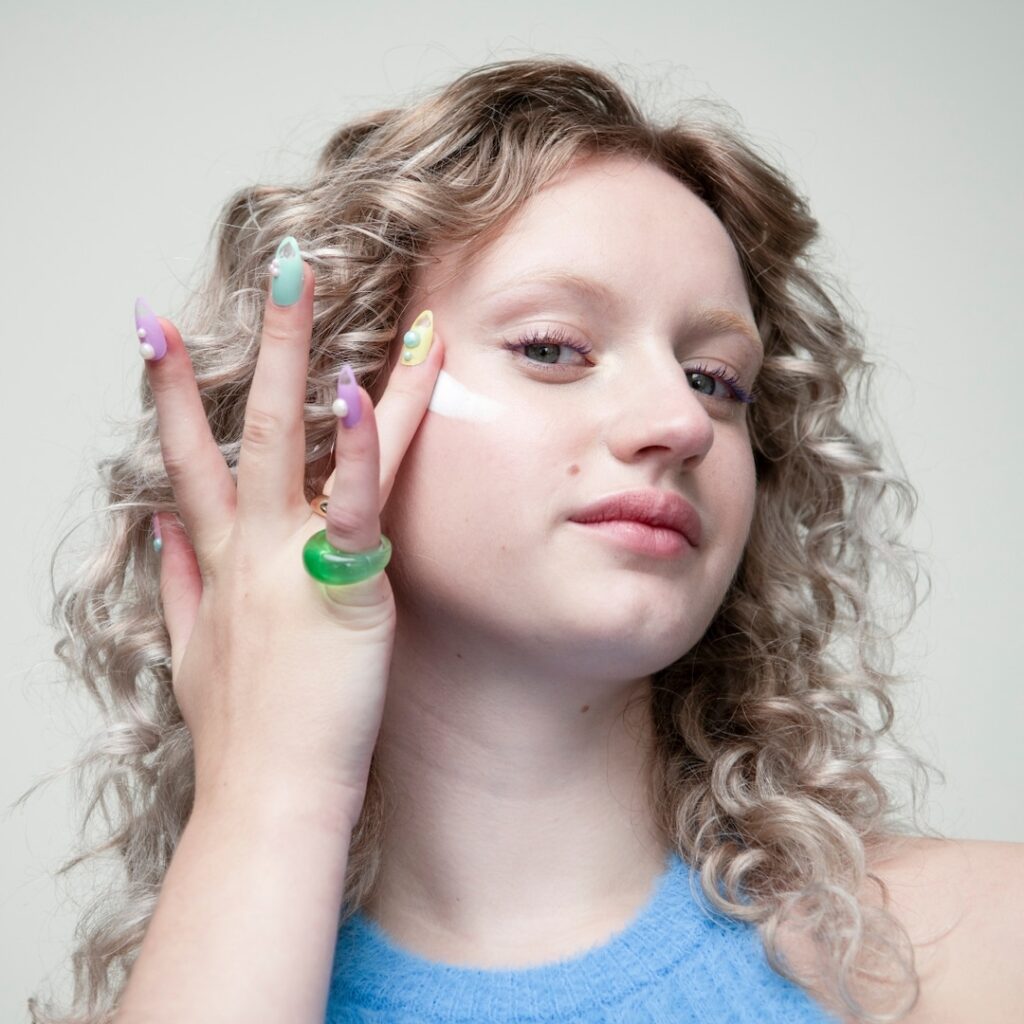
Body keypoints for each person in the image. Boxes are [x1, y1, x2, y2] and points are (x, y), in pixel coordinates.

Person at [27, 58, 1023, 1024]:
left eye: (716, 380)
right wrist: (267, 792)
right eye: (552, 347)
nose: (680, 422)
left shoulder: (970, 951)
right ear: (333, 424)